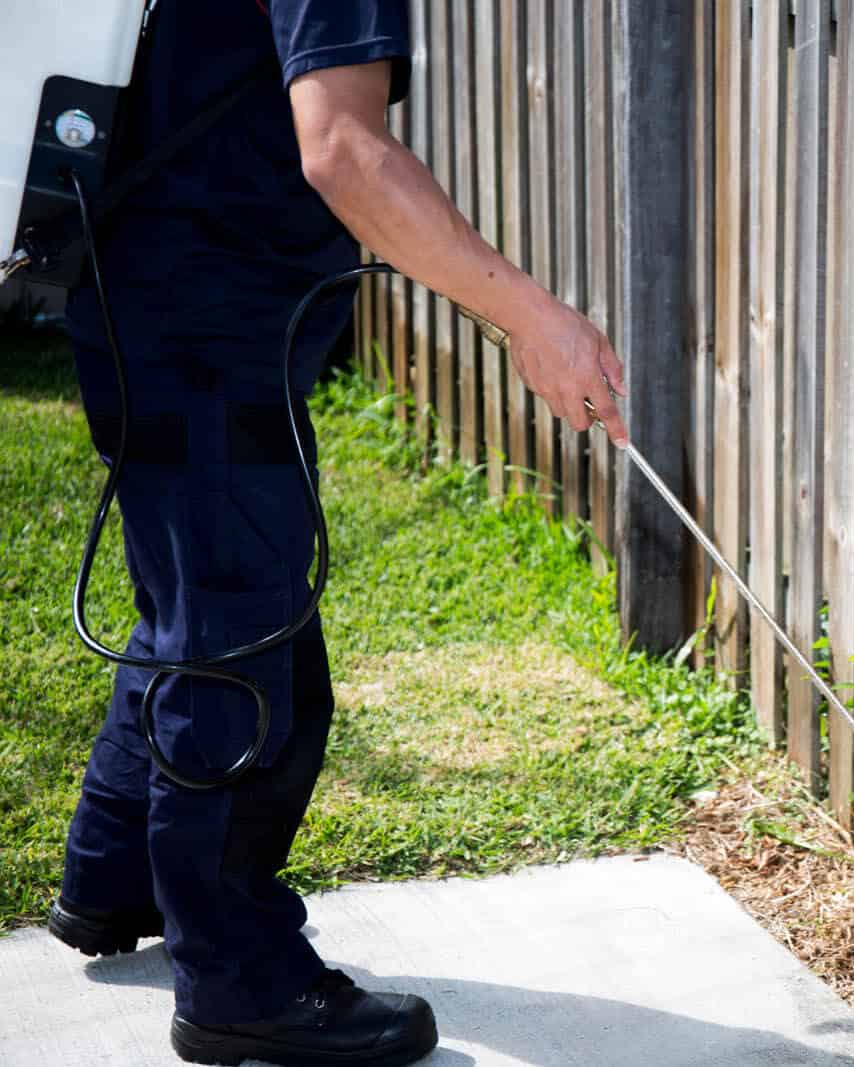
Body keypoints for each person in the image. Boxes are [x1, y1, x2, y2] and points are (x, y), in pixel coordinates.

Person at [45, 2, 628, 1064]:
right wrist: (531, 317)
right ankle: (240, 982)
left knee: (192, 599)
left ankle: (111, 877)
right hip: (204, 318)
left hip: (144, 285)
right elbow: (345, 152)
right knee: (242, 652)